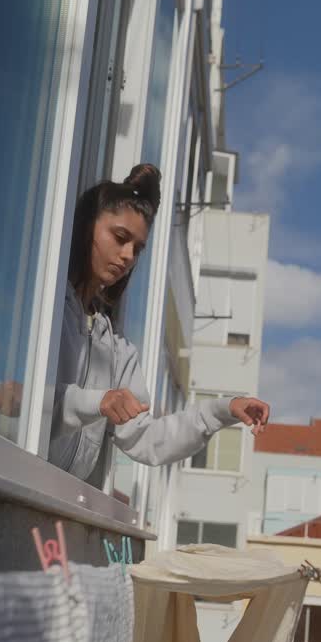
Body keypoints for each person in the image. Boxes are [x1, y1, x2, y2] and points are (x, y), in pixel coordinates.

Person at [47, 163, 269, 485]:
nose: (127, 256)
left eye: (137, 249)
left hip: (62, 504)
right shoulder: (47, 309)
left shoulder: (117, 348)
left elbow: (146, 438)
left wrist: (224, 410)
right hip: (17, 481)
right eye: (120, 237)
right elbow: (19, 400)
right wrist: (99, 401)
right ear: (85, 227)